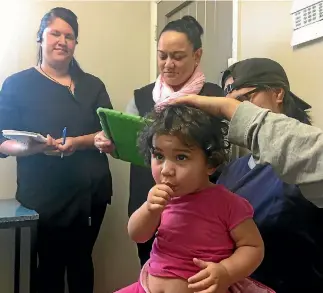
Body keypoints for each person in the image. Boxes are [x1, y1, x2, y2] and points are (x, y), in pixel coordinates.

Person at [171, 58, 323, 292]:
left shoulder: (306, 166)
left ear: (278, 94)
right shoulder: (233, 170)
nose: (234, 114)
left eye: (243, 101)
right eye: (229, 106)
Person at [95, 15, 224, 267]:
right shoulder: (141, 97)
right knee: (153, 269)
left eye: (177, 56)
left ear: (197, 56)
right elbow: (128, 147)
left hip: (202, 208)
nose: (168, 64)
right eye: (162, 55)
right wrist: (111, 145)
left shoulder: (215, 98)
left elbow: (222, 152)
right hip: (149, 201)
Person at [0, 7, 113, 293]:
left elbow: (109, 132)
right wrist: (32, 148)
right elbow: (1, 141)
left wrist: (78, 142)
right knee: (48, 269)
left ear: (76, 43)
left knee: (81, 266)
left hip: (91, 194)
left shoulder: (93, 85)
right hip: (42, 198)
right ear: (40, 37)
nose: (63, 41)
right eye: (55, 33)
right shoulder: (17, 84)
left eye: (70, 36)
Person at [115, 104, 274, 293]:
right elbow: (138, 235)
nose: (166, 170)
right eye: (158, 156)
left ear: (210, 163)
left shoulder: (228, 204)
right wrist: (149, 209)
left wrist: (226, 271)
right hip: (146, 287)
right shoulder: (160, 199)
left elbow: (252, 246)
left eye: (181, 157)